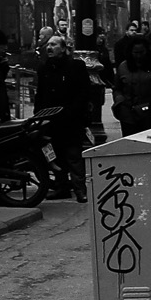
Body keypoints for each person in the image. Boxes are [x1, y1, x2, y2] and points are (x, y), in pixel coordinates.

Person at [31, 33, 96, 201]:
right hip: (51, 119)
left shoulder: (76, 66)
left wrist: (73, 111)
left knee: (74, 155)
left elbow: (83, 92)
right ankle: (62, 187)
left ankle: (80, 189)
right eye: (48, 45)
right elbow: (41, 93)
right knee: (56, 155)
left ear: (63, 48)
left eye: (54, 45)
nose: (49, 48)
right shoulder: (44, 68)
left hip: (71, 119)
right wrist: (38, 114)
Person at [111, 28, 151, 134]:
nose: (138, 56)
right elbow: (117, 88)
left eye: (141, 52)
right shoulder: (123, 67)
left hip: (150, 115)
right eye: (135, 52)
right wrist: (120, 102)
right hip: (128, 115)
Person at [75, 18, 112, 145]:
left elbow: (108, 66)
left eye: (102, 35)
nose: (101, 37)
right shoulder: (95, 51)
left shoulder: (103, 50)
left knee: (99, 102)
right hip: (95, 82)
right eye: (99, 35)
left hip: (101, 81)